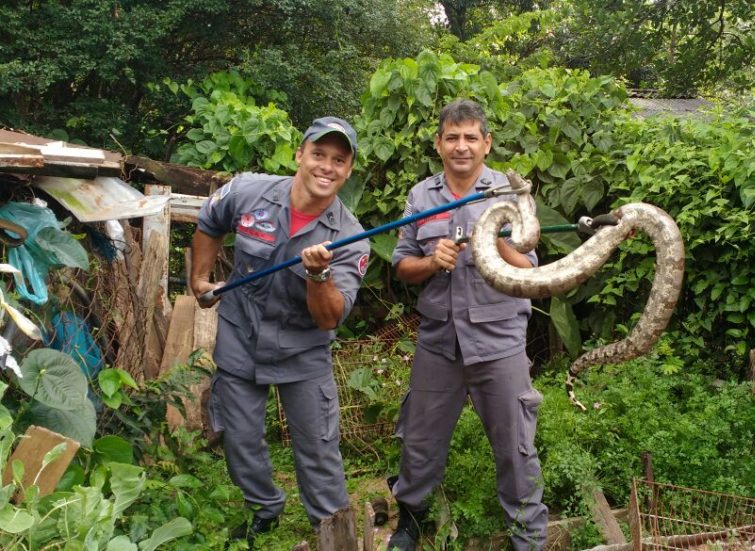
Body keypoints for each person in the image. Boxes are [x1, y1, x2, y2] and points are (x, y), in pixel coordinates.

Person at [189, 116, 369, 546]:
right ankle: (264, 508)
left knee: (318, 449)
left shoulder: (351, 237)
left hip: (302, 351)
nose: (327, 166)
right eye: (319, 155)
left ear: (348, 170)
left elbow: (330, 318)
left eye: (338, 160)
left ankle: (330, 529)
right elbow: (210, 221)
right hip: (240, 338)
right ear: (300, 155)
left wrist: (320, 276)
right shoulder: (249, 191)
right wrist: (199, 279)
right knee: (237, 438)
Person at [387, 99, 548, 551]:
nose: (462, 146)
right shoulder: (421, 197)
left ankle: (528, 538)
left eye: (471, 137)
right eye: (452, 138)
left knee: (517, 448)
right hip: (439, 342)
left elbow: (529, 264)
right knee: (419, 442)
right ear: (439, 144)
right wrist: (430, 261)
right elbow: (402, 266)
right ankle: (410, 524)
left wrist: (492, 246)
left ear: (486, 143)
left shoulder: (509, 194)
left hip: (499, 342)